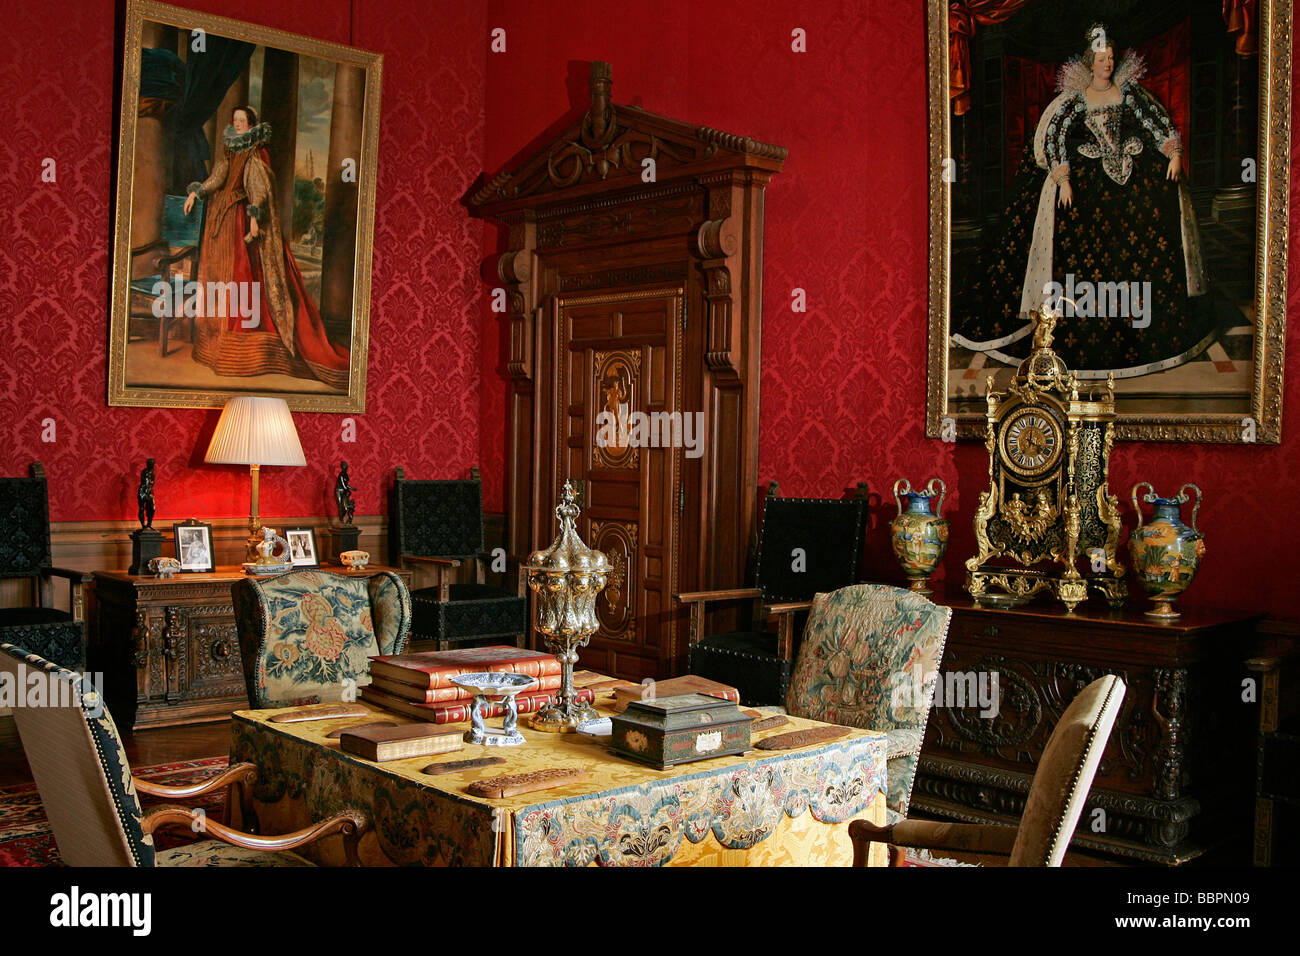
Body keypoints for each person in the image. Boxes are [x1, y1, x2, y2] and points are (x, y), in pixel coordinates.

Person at [952, 24, 1212, 380]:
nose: (1108, 64)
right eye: (1102, 60)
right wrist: (1064, 179)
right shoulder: (1076, 99)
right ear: (1091, 64)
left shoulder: (1129, 91)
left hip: (1129, 169)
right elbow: (1055, 138)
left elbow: (1156, 122)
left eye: (1111, 59)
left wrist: (1174, 153)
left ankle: (1140, 316)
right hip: (1090, 173)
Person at [183, 106, 349, 389]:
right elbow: (218, 177)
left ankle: (246, 346)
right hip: (221, 224)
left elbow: (258, 190)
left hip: (240, 222)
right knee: (220, 281)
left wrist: (254, 222)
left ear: (251, 124)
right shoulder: (230, 150)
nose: (237, 124)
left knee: (241, 278)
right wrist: (196, 192)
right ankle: (216, 345)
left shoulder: (255, 154)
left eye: (242, 121)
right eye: (234, 120)